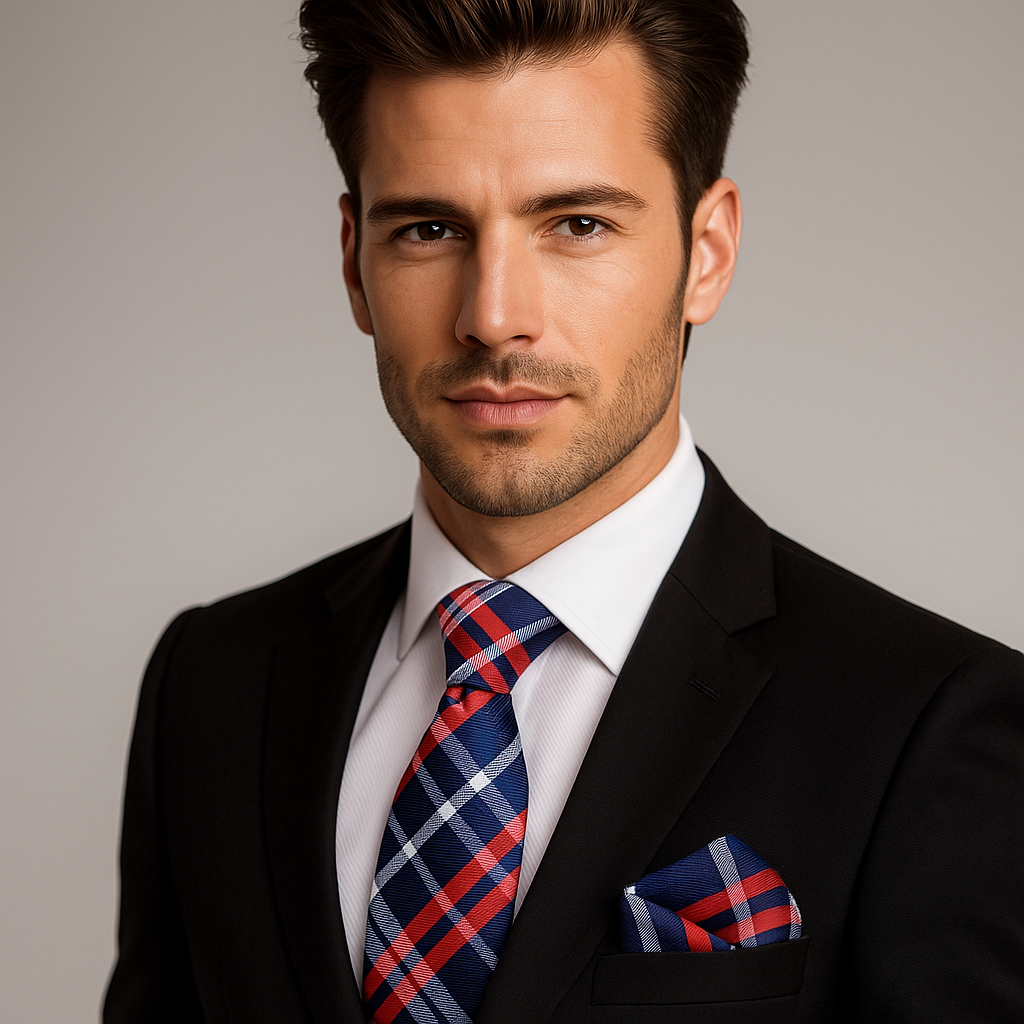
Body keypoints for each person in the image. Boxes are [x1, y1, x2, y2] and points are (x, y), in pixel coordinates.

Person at [103, 1, 1024, 1022]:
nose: (494, 316)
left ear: (707, 251)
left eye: (578, 224)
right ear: (354, 258)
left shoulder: (929, 722)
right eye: (428, 229)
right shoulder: (212, 681)